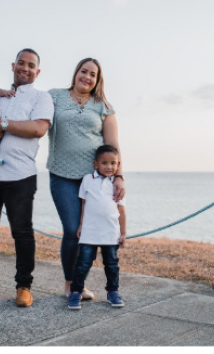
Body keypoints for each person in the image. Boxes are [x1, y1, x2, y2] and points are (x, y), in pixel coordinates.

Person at [0, 48, 54, 308]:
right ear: (13, 66)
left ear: (37, 72)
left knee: (22, 233)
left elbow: (38, 128)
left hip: (20, 176)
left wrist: (2, 125)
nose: (25, 68)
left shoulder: (41, 98)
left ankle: (24, 287)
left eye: (31, 65)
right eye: (21, 63)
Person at [47, 58, 126, 299]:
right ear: (76, 73)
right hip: (61, 174)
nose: (87, 77)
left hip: (94, 179)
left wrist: (119, 175)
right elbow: (37, 119)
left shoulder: (103, 105)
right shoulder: (55, 96)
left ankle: (80, 283)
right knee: (72, 230)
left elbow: (112, 145)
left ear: (97, 80)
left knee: (89, 232)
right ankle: (71, 284)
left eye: (93, 74)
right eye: (84, 71)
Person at [67, 145, 126, 310]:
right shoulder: (87, 180)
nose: (109, 167)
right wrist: (80, 225)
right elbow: (84, 204)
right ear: (96, 164)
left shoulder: (117, 185)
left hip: (111, 233)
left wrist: (123, 233)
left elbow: (121, 210)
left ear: (118, 164)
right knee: (83, 263)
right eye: (104, 163)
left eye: (113, 163)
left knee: (112, 264)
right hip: (89, 232)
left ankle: (113, 292)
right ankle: (75, 292)